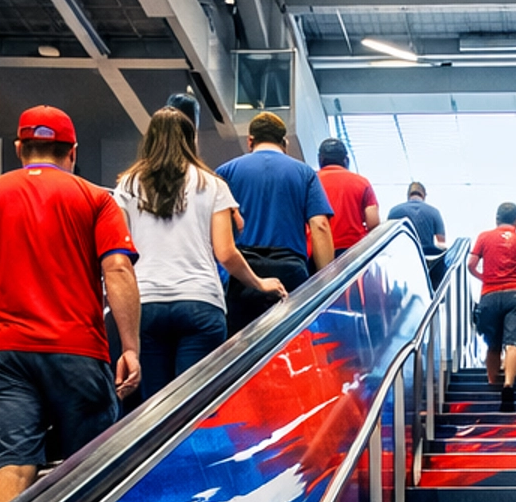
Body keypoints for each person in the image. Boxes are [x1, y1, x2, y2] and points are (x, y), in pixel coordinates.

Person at [0, 105, 140, 502]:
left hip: (6, 354)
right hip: (78, 350)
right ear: (73, 153)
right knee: (91, 467)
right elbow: (117, 267)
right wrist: (131, 348)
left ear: (19, 148)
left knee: (13, 467)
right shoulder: (96, 199)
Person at [117, 105, 286, 403]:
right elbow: (226, 252)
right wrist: (260, 283)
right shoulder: (212, 184)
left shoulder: (127, 186)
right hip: (200, 303)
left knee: (154, 409)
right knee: (194, 409)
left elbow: (120, 253)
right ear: (190, 140)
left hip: (145, 304)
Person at [217, 112, 333, 336]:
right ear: (285, 142)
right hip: (291, 272)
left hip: (243, 274)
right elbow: (320, 225)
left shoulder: (225, 172)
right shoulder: (305, 173)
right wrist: (326, 280)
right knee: (291, 346)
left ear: (250, 141)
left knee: (240, 354)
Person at [467, 201, 516, 412]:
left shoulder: (483, 237)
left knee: (493, 343)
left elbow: (470, 264)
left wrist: (484, 278)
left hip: (489, 294)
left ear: (496, 219)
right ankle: (508, 385)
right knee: (513, 343)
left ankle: (491, 385)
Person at [317, 137, 379, 252]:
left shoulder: (311, 182)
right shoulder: (362, 183)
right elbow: (373, 223)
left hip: (318, 249)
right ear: (346, 160)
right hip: (353, 251)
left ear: (320, 160)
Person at [389, 180, 446, 284]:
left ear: (408, 195)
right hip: (427, 260)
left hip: (402, 259)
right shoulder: (434, 212)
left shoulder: (394, 211)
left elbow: (389, 240)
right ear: (423, 195)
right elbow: (441, 242)